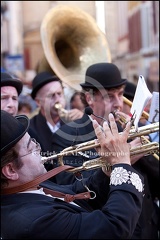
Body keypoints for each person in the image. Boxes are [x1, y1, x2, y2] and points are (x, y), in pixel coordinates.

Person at [51, 63, 159, 239]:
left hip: (148, 229)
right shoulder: (68, 136)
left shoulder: (130, 129)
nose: (118, 103)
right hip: (111, 229)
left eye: (121, 94)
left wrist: (143, 153)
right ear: (90, 98)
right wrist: (123, 161)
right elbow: (70, 190)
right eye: (109, 96)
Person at [1, 110, 144, 239]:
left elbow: (76, 194)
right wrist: (122, 164)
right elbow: (113, 228)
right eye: (30, 148)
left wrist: (109, 170)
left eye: (33, 141)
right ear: (11, 171)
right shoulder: (34, 222)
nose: (38, 148)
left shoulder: (29, 187)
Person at [29, 71, 84, 154]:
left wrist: (83, 122)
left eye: (59, 94)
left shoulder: (73, 121)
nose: (58, 100)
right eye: (51, 96)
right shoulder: (30, 129)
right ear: (38, 102)